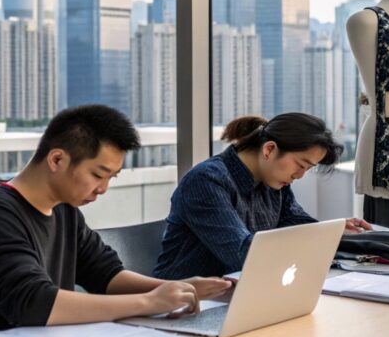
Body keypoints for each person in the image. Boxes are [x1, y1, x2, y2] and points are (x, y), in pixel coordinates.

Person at [0, 105, 232, 337]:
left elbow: (104, 274)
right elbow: (33, 304)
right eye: (98, 174)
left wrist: (175, 288)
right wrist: (149, 302)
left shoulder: (64, 209)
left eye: (111, 178)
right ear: (57, 159)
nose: (103, 189)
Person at [153, 113, 372, 280]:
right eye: (301, 165)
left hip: (243, 294)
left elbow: (297, 226)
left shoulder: (275, 182)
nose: (299, 175)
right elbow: (242, 254)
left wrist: (333, 230)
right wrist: (317, 237)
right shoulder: (206, 181)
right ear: (269, 150)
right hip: (186, 304)